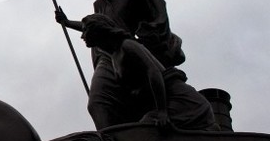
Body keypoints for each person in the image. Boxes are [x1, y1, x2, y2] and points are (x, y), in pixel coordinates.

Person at [34, 0, 187, 129]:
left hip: (120, 49)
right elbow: (94, 27)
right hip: (104, 52)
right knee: (108, 105)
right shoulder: (102, 1)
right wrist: (67, 22)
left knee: (98, 102)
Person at [77, 14, 216, 131]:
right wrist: (66, 22)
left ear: (96, 30)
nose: (82, 36)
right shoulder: (113, 55)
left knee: (142, 131)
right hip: (163, 105)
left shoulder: (127, 45)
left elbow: (154, 72)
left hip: (183, 103)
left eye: (85, 31)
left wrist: (162, 112)